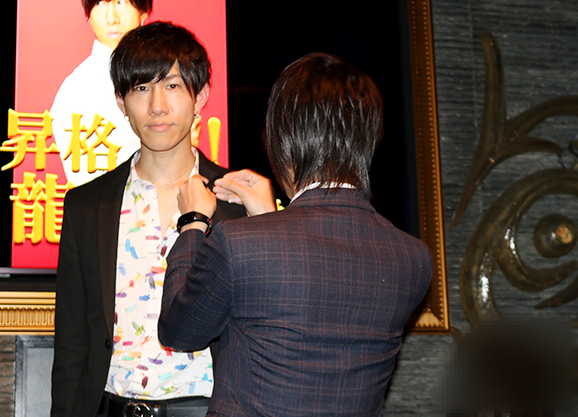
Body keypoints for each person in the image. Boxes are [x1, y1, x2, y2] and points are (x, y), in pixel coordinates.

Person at [159, 53, 433, 416]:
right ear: (370, 138)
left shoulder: (237, 244)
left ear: (284, 140)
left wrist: (193, 222)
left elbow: (179, 331)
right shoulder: (413, 258)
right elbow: (315, 295)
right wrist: (269, 218)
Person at [51, 21, 247, 417]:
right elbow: (72, 344)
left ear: (201, 95)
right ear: (121, 102)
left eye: (172, 85)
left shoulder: (236, 202)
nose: (157, 105)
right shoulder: (86, 206)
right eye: (141, 88)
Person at [49, 0, 152, 187]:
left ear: (143, 13)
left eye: (121, 2)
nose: (111, 18)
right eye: (100, 3)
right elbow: (84, 181)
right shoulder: (75, 89)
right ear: (89, 14)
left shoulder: (165, 76)